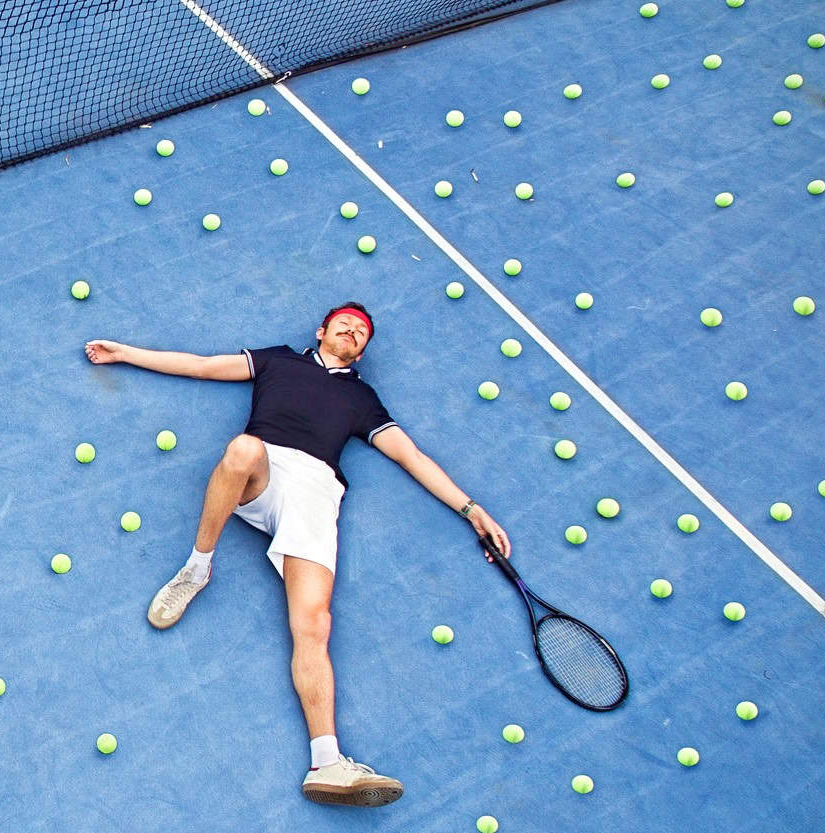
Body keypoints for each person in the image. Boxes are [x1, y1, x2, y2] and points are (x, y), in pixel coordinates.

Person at [83, 301, 511, 808]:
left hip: (316, 492)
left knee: (315, 624)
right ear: (322, 330)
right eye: (344, 324)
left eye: (361, 333)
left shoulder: (363, 400)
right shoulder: (278, 360)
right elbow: (202, 364)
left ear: (362, 350)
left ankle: (327, 762)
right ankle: (196, 569)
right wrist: (126, 353)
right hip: (262, 469)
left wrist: (471, 509)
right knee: (242, 448)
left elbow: (411, 456)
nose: (352, 332)